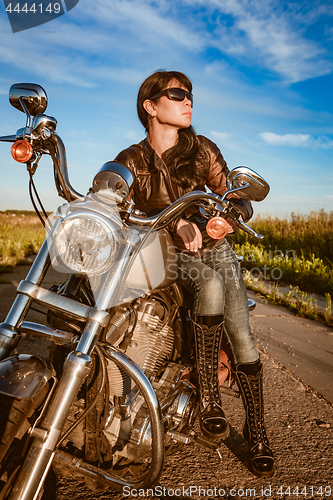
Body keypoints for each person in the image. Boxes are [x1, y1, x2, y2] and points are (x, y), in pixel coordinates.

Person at [113, 70, 274, 478]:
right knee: (205, 284)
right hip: (160, 256)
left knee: (241, 335)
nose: (188, 101)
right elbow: (110, 200)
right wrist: (171, 225)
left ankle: (256, 431)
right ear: (151, 106)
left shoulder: (202, 150)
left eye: (189, 95)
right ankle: (206, 400)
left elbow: (235, 199)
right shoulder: (130, 159)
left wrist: (222, 219)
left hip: (213, 249)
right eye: (178, 94)